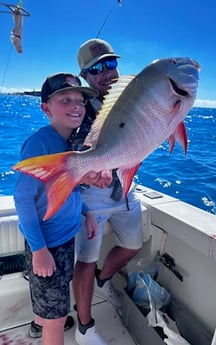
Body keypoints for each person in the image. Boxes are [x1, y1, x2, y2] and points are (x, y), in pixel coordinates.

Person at [14, 72, 100, 345]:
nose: (76, 106)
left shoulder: (73, 143)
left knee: (53, 298)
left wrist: (86, 213)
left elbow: (68, 189)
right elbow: (23, 199)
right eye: (65, 100)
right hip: (47, 243)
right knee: (57, 321)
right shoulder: (40, 144)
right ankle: (50, 322)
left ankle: (44, 319)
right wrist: (39, 250)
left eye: (80, 100)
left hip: (64, 241)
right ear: (46, 108)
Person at [72, 38, 143, 345]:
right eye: (95, 69)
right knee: (85, 260)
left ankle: (103, 281)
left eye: (110, 64)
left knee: (133, 245)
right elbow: (75, 146)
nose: (105, 73)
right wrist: (89, 172)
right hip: (92, 196)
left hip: (126, 188)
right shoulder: (79, 107)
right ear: (85, 77)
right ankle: (84, 327)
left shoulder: (132, 97)